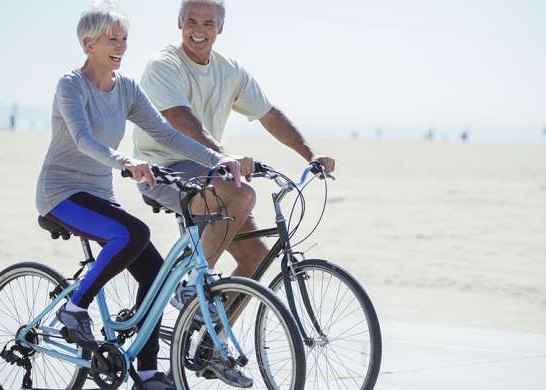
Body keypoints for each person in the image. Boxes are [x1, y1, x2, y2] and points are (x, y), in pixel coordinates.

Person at [35, 3, 239, 389]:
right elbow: (83, 139)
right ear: (88, 44)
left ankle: (146, 371)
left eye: (125, 39)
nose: (122, 46)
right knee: (133, 233)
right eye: (113, 39)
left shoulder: (126, 88)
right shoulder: (70, 85)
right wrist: (125, 162)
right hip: (61, 192)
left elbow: (165, 134)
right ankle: (75, 308)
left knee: (155, 275)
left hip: (98, 194)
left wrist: (217, 159)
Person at [133, 0, 335, 308]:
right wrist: (222, 155)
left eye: (208, 24)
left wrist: (311, 155)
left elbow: (269, 115)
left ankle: (211, 351)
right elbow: (179, 118)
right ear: (179, 23)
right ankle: (194, 282)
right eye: (192, 22)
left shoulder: (229, 71)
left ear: (221, 28)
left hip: (209, 168)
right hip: (163, 168)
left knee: (255, 258)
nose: (198, 30)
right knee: (241, 193)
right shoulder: (164, 64)